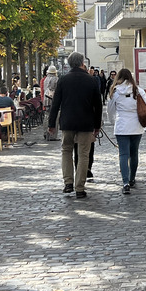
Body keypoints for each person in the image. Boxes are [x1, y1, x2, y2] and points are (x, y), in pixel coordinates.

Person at [47, 51, 103, 199]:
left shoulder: (63, 80)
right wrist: (97, 125)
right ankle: (80, 187)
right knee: (83, 154)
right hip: (86, 122)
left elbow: (55, 104)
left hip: (67, 122)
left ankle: (68, 183)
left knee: (66, 150)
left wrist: (51, 123)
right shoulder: (91, 80)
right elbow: (98, 105)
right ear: (82, 62)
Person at [107, 68, 146, 194]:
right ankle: (132, 178)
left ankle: (125, 182)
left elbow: (110, 110)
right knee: (134, 153)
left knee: (123, 154)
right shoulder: (138, 90)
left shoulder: (115, 92)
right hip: (136, 126)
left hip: (121, 126)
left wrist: (113, 122)